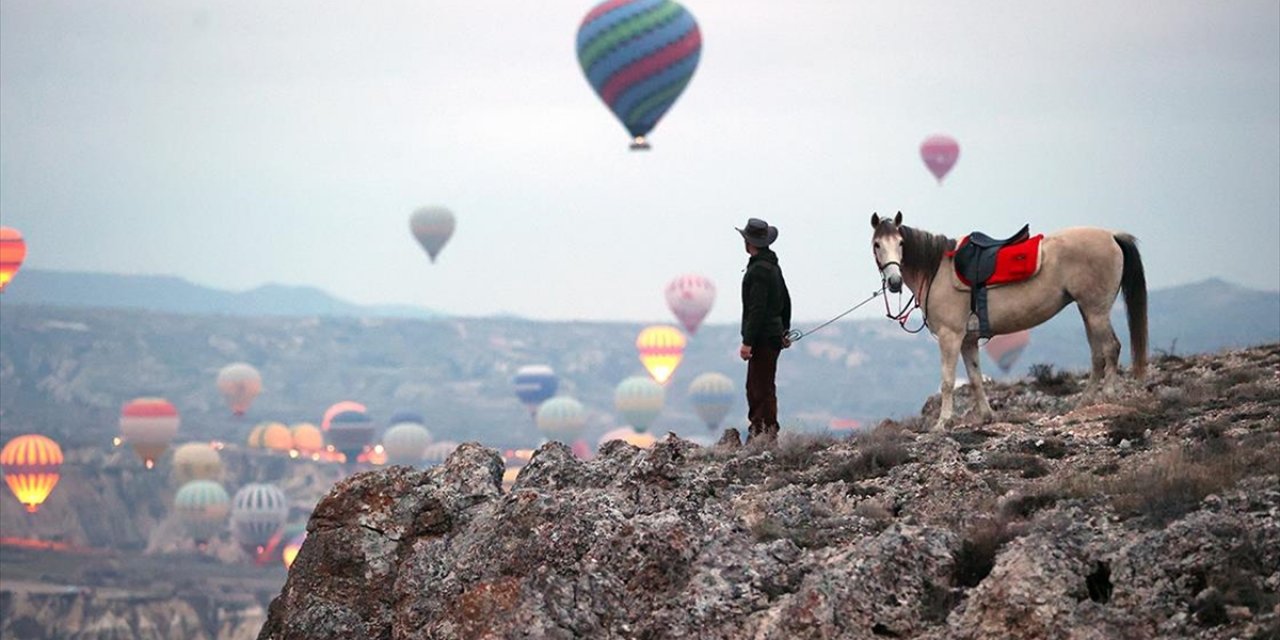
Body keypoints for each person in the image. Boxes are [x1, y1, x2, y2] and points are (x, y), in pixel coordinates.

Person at [737, 217, 792, 444]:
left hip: (761, 338)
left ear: (749, 243)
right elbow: (786, 301)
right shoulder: (773, 266)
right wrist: (784, 330)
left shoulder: (759, 270)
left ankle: (762, 434)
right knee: (764, 385)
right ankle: (766, 431)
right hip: (773, 335)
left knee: (758, 388)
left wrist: (747, 342)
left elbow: (756, 310)